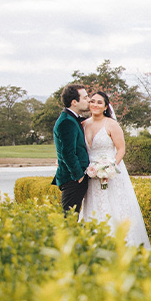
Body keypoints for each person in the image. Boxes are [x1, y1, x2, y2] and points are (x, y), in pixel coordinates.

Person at [78, 91, 151, 248]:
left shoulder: (111, 124)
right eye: (92, 101)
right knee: (94, 205)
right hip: (91, 174)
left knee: (115, 206)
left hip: (111, 173)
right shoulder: (83, 125)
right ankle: (95, 245)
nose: (95, 105)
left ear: (105, 106)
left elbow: (121, 150)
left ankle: (122, 245)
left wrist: (109, 168)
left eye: (99, 102)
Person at [52, 84, 90, 213]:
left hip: (75, 178)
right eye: (85, 98)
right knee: (69, 219)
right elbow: (67, 152)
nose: (88, 100)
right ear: (74, 102)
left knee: (73, 217)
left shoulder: (72, 119)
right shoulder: (66, 121)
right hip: (72, 179)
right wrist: (78, 175)